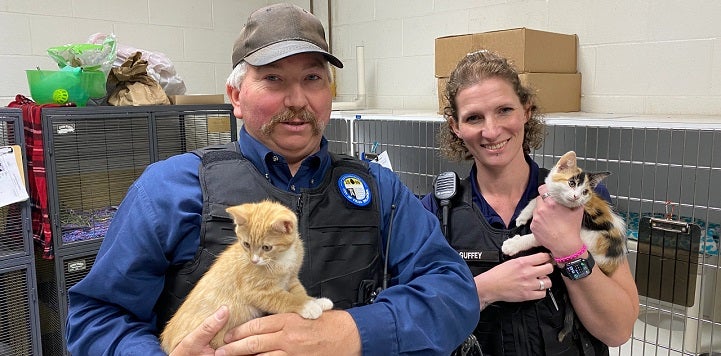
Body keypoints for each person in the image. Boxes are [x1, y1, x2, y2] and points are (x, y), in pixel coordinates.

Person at [65, 3, 479, 355]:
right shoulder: (169, 190)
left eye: (312, 78)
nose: (297, 100)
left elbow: (454, 295)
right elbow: (95, 318)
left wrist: (353, 332)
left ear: (329, 93)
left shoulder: (380, 191)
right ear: (236, 97)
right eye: (273, 78)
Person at [421, 50, 639, 355]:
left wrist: (567, 249)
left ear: (527, 110)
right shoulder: (437, 212)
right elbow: (416, 320)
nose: (492, 130)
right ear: (456, 127)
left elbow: (618, 329)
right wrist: (483, 290)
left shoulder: (587, 202)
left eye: (504, 110)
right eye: (473, 117)